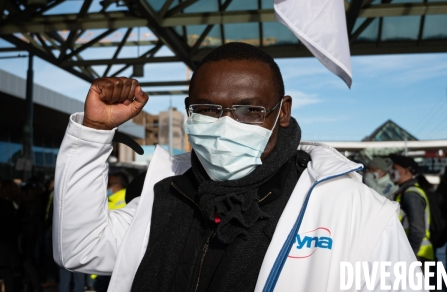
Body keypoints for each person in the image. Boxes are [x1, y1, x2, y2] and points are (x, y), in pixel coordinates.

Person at [53, 42, 423, 292]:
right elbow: (80, 249)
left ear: (283, 113)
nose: (226, 123)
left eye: (249, 110)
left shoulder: (354, 211)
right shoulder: (168, 194)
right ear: (188, 111)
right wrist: (94, 133)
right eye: (208, 110)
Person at [390, 154, 435, 262]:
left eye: (395, 169)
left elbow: (418, 230)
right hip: (415, 254)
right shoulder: (404, 192)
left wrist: (409, 258)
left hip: (417, 255)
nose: (391, 172)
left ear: (407, 171)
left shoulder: (411, 194)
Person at [95, 172, 129, 292]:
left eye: (108, 184)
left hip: (114, 258)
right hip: (112, 257)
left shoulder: (122, 200)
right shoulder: (112, 199)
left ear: (118, 185)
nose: (107, 187)